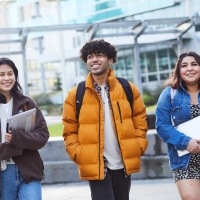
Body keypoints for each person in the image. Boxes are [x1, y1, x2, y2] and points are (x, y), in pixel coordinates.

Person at [62, 39, 148, 200]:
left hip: (123, 163)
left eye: (99, 55)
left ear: (110, 59)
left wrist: (138, 146)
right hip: (96, 165)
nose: (94, 60)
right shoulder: (76, 94)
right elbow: (69, 129)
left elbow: (140, 121)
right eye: (89, 56)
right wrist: (78, 154)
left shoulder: (128, 89)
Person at [0, 57, 49, 200]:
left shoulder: (27, 103)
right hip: (3, 174)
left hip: (28, 170)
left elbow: (42, 136)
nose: (6, 78)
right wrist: (17, 147)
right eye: (1, 75)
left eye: (10, 73)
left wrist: (16, 138)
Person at [155, 51, 200, 199]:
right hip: (185, 160)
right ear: (179, 70)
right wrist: (186, 142)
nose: (190, 68)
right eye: (184, 65)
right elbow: (162, 125)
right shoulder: (169, 94)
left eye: (194, 64)